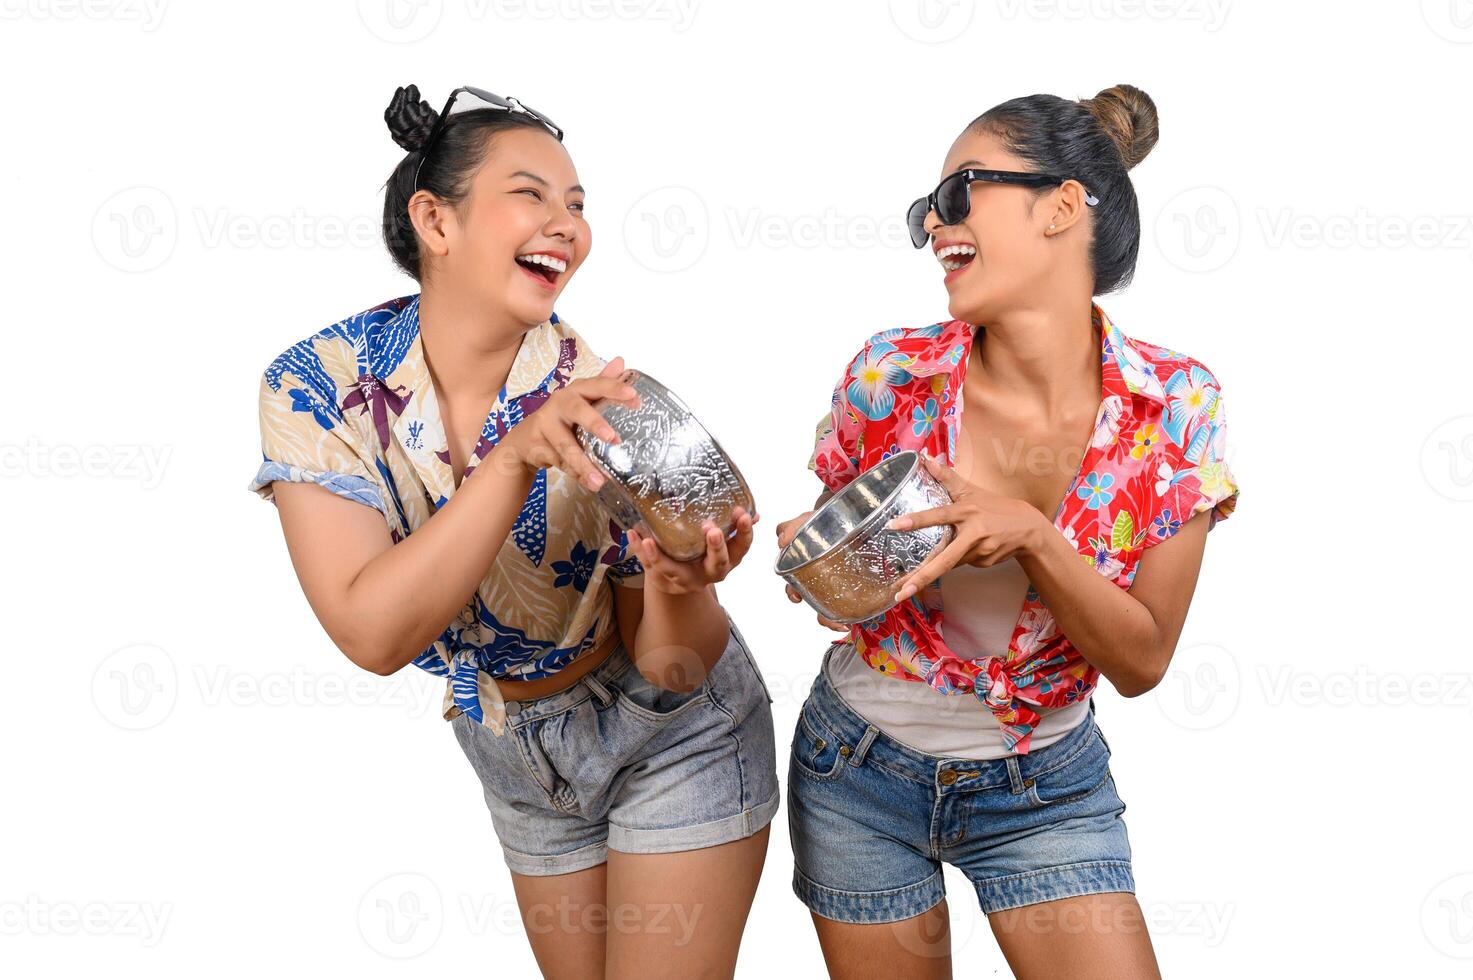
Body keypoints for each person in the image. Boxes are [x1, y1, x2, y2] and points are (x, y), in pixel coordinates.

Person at [249, 84, 778, 979]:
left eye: (577, 205)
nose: (566, 224)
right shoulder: (315, 384)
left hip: (673, 729)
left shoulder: (601, 401)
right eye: (531, 194)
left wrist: (686, 581)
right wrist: (509, 462)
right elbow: (372, 633)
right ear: (435, 221)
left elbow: (670, 665)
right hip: (510, 746)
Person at [777, 84, 1238, 979]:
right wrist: (816, 557)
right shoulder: (891, 373)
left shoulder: (1177, 405)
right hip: (857, 766)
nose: (931, 227)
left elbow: (1141, 663)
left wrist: (1034, 536)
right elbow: (848, 589)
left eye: (958, 195)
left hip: (1046, 788)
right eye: (925, 211)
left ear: (1063, 205)